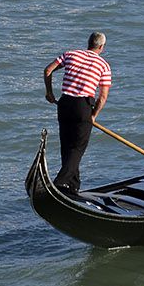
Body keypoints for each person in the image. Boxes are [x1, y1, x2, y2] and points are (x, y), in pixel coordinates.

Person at [43, 32, 112, 193]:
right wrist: (93, 116)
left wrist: (49, 93)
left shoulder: (70, 54)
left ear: (88, 43)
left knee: (67, 147)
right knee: (77, 148)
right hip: (83, 107)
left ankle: (73, 185)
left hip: (64, 103)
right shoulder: (104, 66)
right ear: (101, 47)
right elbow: (102, 97)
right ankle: (60, 182)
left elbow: (48, 70)